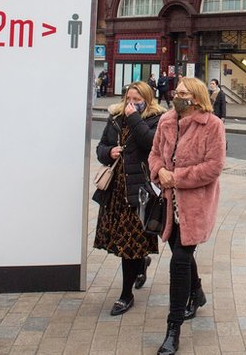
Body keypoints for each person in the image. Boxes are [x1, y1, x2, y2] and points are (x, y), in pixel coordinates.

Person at [148, 77, 225, 354]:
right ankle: (198, 293)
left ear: (196, 97)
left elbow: (213, 167)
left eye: (183, 92)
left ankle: (173, 328)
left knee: (179, 262)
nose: (176, 96)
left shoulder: (212, 125)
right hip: (170, 205)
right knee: (182, 255)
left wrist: (176, 177)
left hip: (195, 206)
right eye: (176, 91)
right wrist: (159, 171)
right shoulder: (166, 120)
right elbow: (154, 154)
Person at [94, 81, 163, 317]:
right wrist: (108, 152)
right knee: (123, 243)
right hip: (116, 191)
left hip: (139, 192)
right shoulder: (115, 118)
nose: (131, 104)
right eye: (128, 99)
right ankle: (141, 264)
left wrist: (135, 118)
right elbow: (101, 148)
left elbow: (151, 143)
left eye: (137, 100)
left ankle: (126, 295)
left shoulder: (156, 119)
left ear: (147, 100)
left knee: (129, 245)